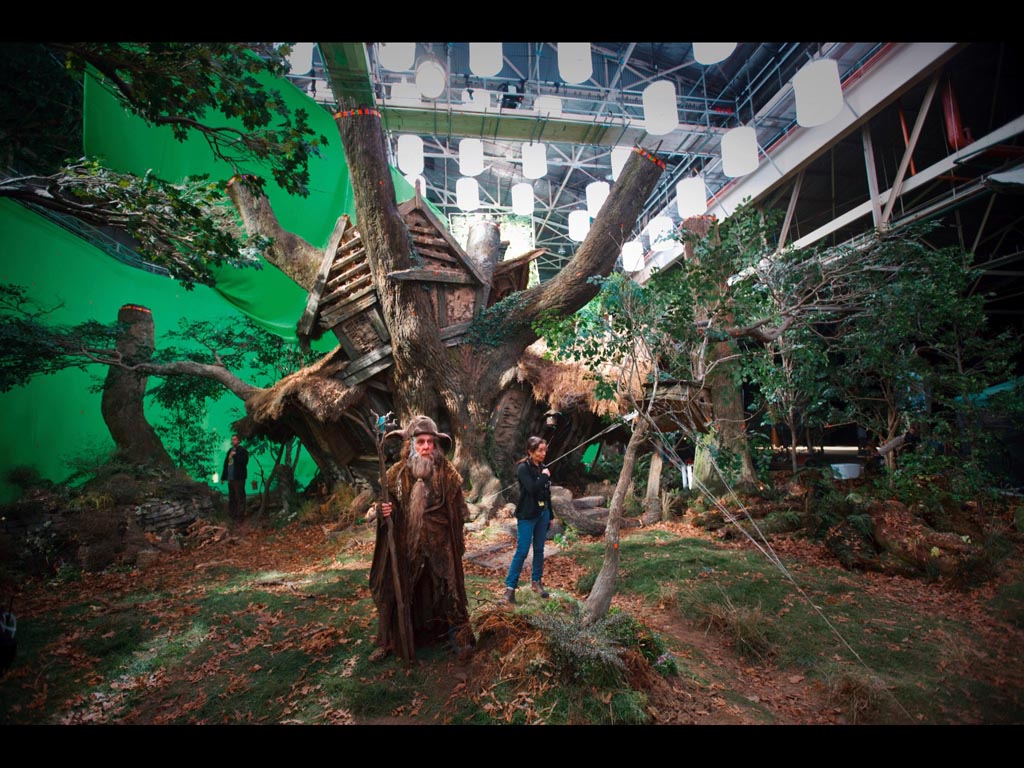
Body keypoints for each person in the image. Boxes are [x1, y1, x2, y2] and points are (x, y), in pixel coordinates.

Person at [371, 415, 474, 661]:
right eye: (421, 442)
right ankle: (399, 638)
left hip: (441, 543)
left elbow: (459, 507)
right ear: (411, 445)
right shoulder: (396, 475)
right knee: (405, 588)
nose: (426, 447)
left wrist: (457, 520)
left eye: (430, 442)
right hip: (409, 544)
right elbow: (386, 504)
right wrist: (383, 510)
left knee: (449, 588)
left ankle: (457, 635)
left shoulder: (447, 473)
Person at [504, 436, 552, 604]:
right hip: (527, 514)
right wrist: (544, 477)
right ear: (530, 452)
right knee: (522, 551)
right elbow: (532, 488)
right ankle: (510, 588)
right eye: (540, 451)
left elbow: (547, 493)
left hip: (543, 513)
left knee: (539, 549)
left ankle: (536, 581)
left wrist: (551, 515)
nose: (543, 454)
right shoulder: (523, 468)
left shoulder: (543, 468)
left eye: (545, 450)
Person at [221, 434, 249, 522]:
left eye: (235, 439)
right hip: (231, 478)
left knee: (240, 497)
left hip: (239, 478)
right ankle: (232, 515)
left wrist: (235, 456)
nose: (233, 441)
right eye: (232, 439)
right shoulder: (230, 450)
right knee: (232, 497)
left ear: (239, 441)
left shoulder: (242, 450)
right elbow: (226, 464)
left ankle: (240, 517)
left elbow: (244, 462)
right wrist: (223, 476)